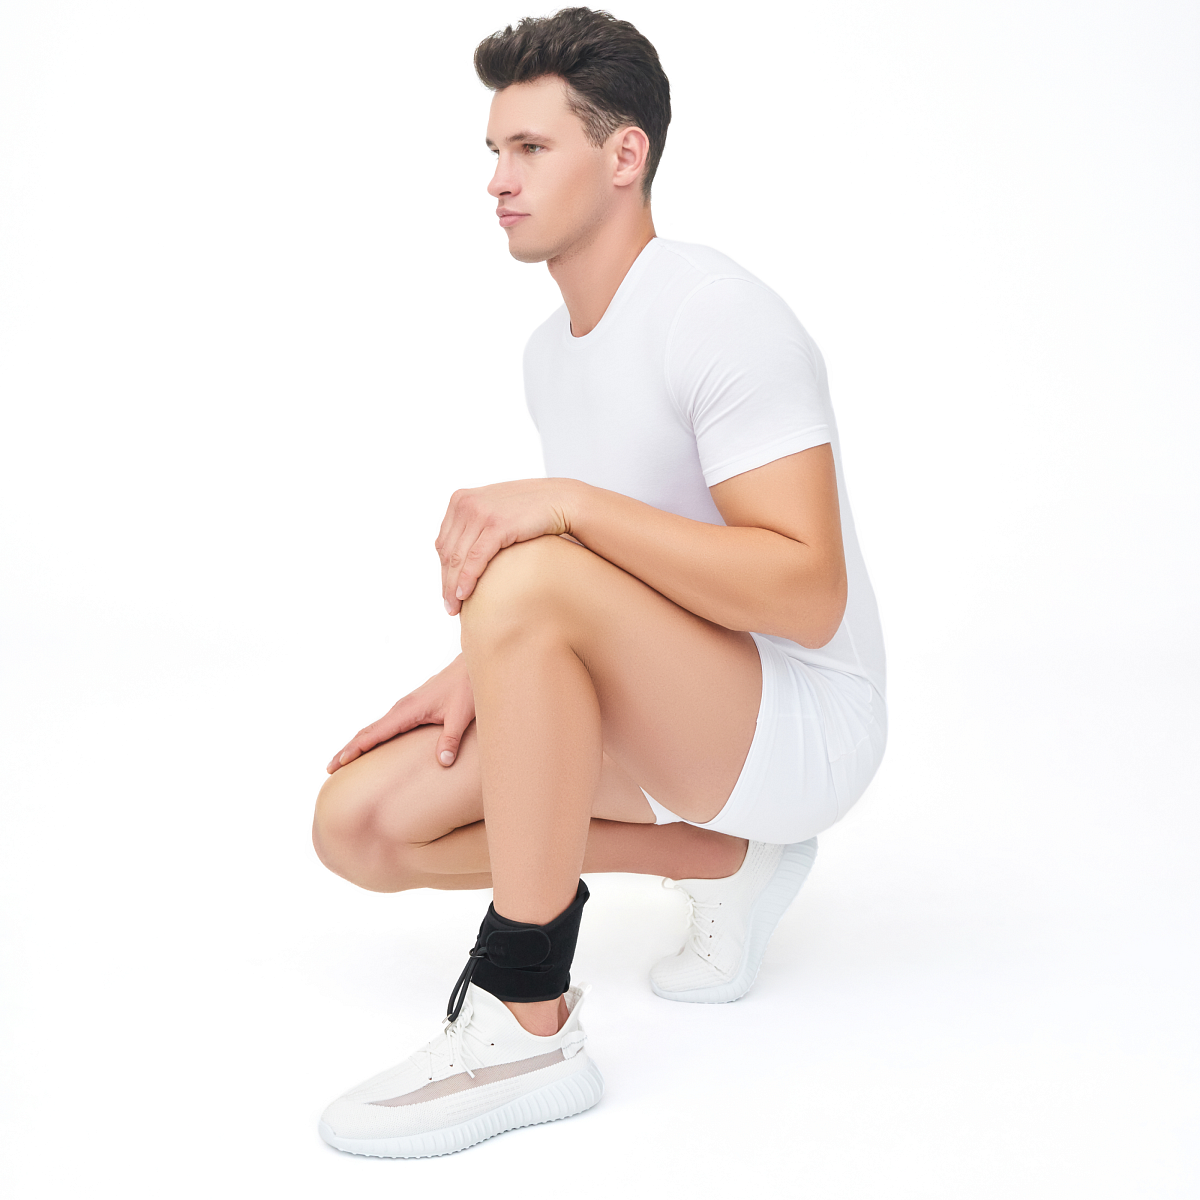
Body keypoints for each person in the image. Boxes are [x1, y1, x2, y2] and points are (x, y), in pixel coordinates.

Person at [311, 5, 886, 1159]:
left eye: (530, 148)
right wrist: (479, 666)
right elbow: (606, 571)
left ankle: (528, 1015)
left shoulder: (713, 309)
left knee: (524, 572)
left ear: (626, 154)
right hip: (676, 708)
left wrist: (559, 520)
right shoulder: (550, 354)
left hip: (798, 722)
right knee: (360, 826)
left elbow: (805, 590)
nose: (497, 180)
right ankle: (722, 860)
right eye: (494, 150)